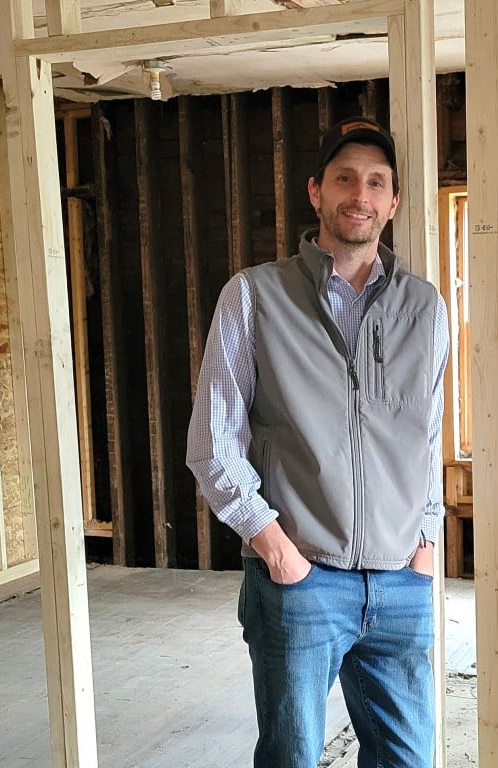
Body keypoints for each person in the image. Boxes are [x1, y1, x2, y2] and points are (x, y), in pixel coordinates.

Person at [186, 116, 449, 768]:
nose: (360, 195)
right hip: (301, 583)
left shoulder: (424, 308)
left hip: (400, 581)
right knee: (292, 758)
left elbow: (427, 433)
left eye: (376, 182)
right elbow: (213, 442)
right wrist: (276, 550)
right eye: (344, 179)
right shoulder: (255, 296)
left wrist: (426, 540)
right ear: (316, 191)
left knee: (409, 761)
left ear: (393, 201)